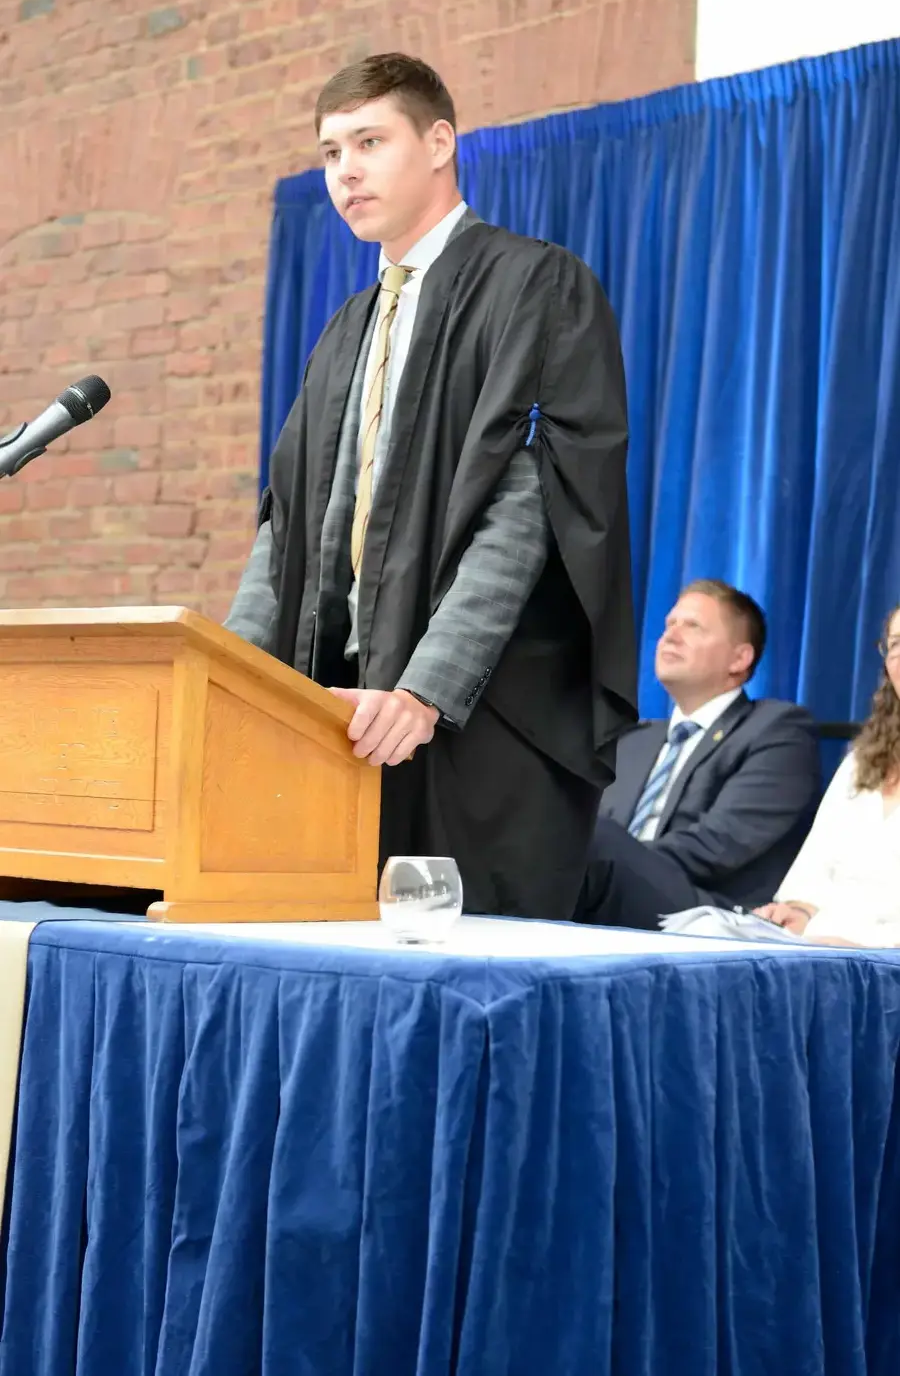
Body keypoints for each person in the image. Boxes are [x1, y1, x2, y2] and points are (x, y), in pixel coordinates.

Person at [225, 52, 637, 919]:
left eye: (369, 141)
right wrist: (230, 685)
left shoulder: (536, 285)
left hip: (477, 727)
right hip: (341, 729)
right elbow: (288, 525)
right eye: (331, 153)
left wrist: (425, 691)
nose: (346, 173)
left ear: (440, 141)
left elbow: (534, 502)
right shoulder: (346, 328)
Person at [577, 580, 821, 929]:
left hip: (708, 907)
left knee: (588, 843)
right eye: (669, 625)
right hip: (609, 880)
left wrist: (619, 862)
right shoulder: (634, 740)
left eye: (693, 627)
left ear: (740, 658)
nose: (670, 637)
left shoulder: (779, 730)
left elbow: (722, 843)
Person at [754, 605, 900, 948]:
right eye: (895, 644)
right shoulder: (861, 761)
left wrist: (860, 944)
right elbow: (813, 875)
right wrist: (798, 913)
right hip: (825, 956)